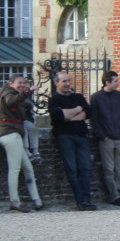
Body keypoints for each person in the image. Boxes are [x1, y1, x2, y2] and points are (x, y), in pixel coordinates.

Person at [48, 71, 95, 211]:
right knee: (72, 170)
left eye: (68, 81)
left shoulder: (78, 97)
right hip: (64, 137)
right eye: (64, 81)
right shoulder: (54, 100)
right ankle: (80, 201)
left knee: (85, 169)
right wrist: (78, 110)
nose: (68, 84)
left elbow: (88, 112)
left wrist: (70, 115)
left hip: (81, 135)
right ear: (57, 83)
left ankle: (86, 199)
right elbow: (58, 116)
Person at [2, 75, 44, 213]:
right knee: (15, 169)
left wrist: (28, 93)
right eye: (19, 83)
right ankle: (15, 201)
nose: (22, 85)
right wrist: (27, 92)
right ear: (10, 83)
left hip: (15, 134)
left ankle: (36, 199)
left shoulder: (14, 93)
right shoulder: (7, 93)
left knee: (27, 167)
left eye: (24, 83)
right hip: (10, 133)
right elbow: (11, 102)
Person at [90, 70, 120, 206]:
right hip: (106, 138)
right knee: (109, 169)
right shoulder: (96, 97)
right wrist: (102, 136)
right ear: (107, 82)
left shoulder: (119, 96)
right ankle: (114, 195)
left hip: (119, 137)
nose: (118, 83)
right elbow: (94, 119)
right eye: (115, 81)